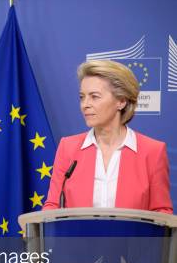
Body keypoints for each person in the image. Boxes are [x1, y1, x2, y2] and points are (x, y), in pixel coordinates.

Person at [43, 60, 172, 214]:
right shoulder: (68, 148)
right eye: (82, 97)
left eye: (94, 97)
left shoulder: (153, 152)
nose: (85, 104)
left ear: (121, 101)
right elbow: (52, 206)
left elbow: (162, 213)